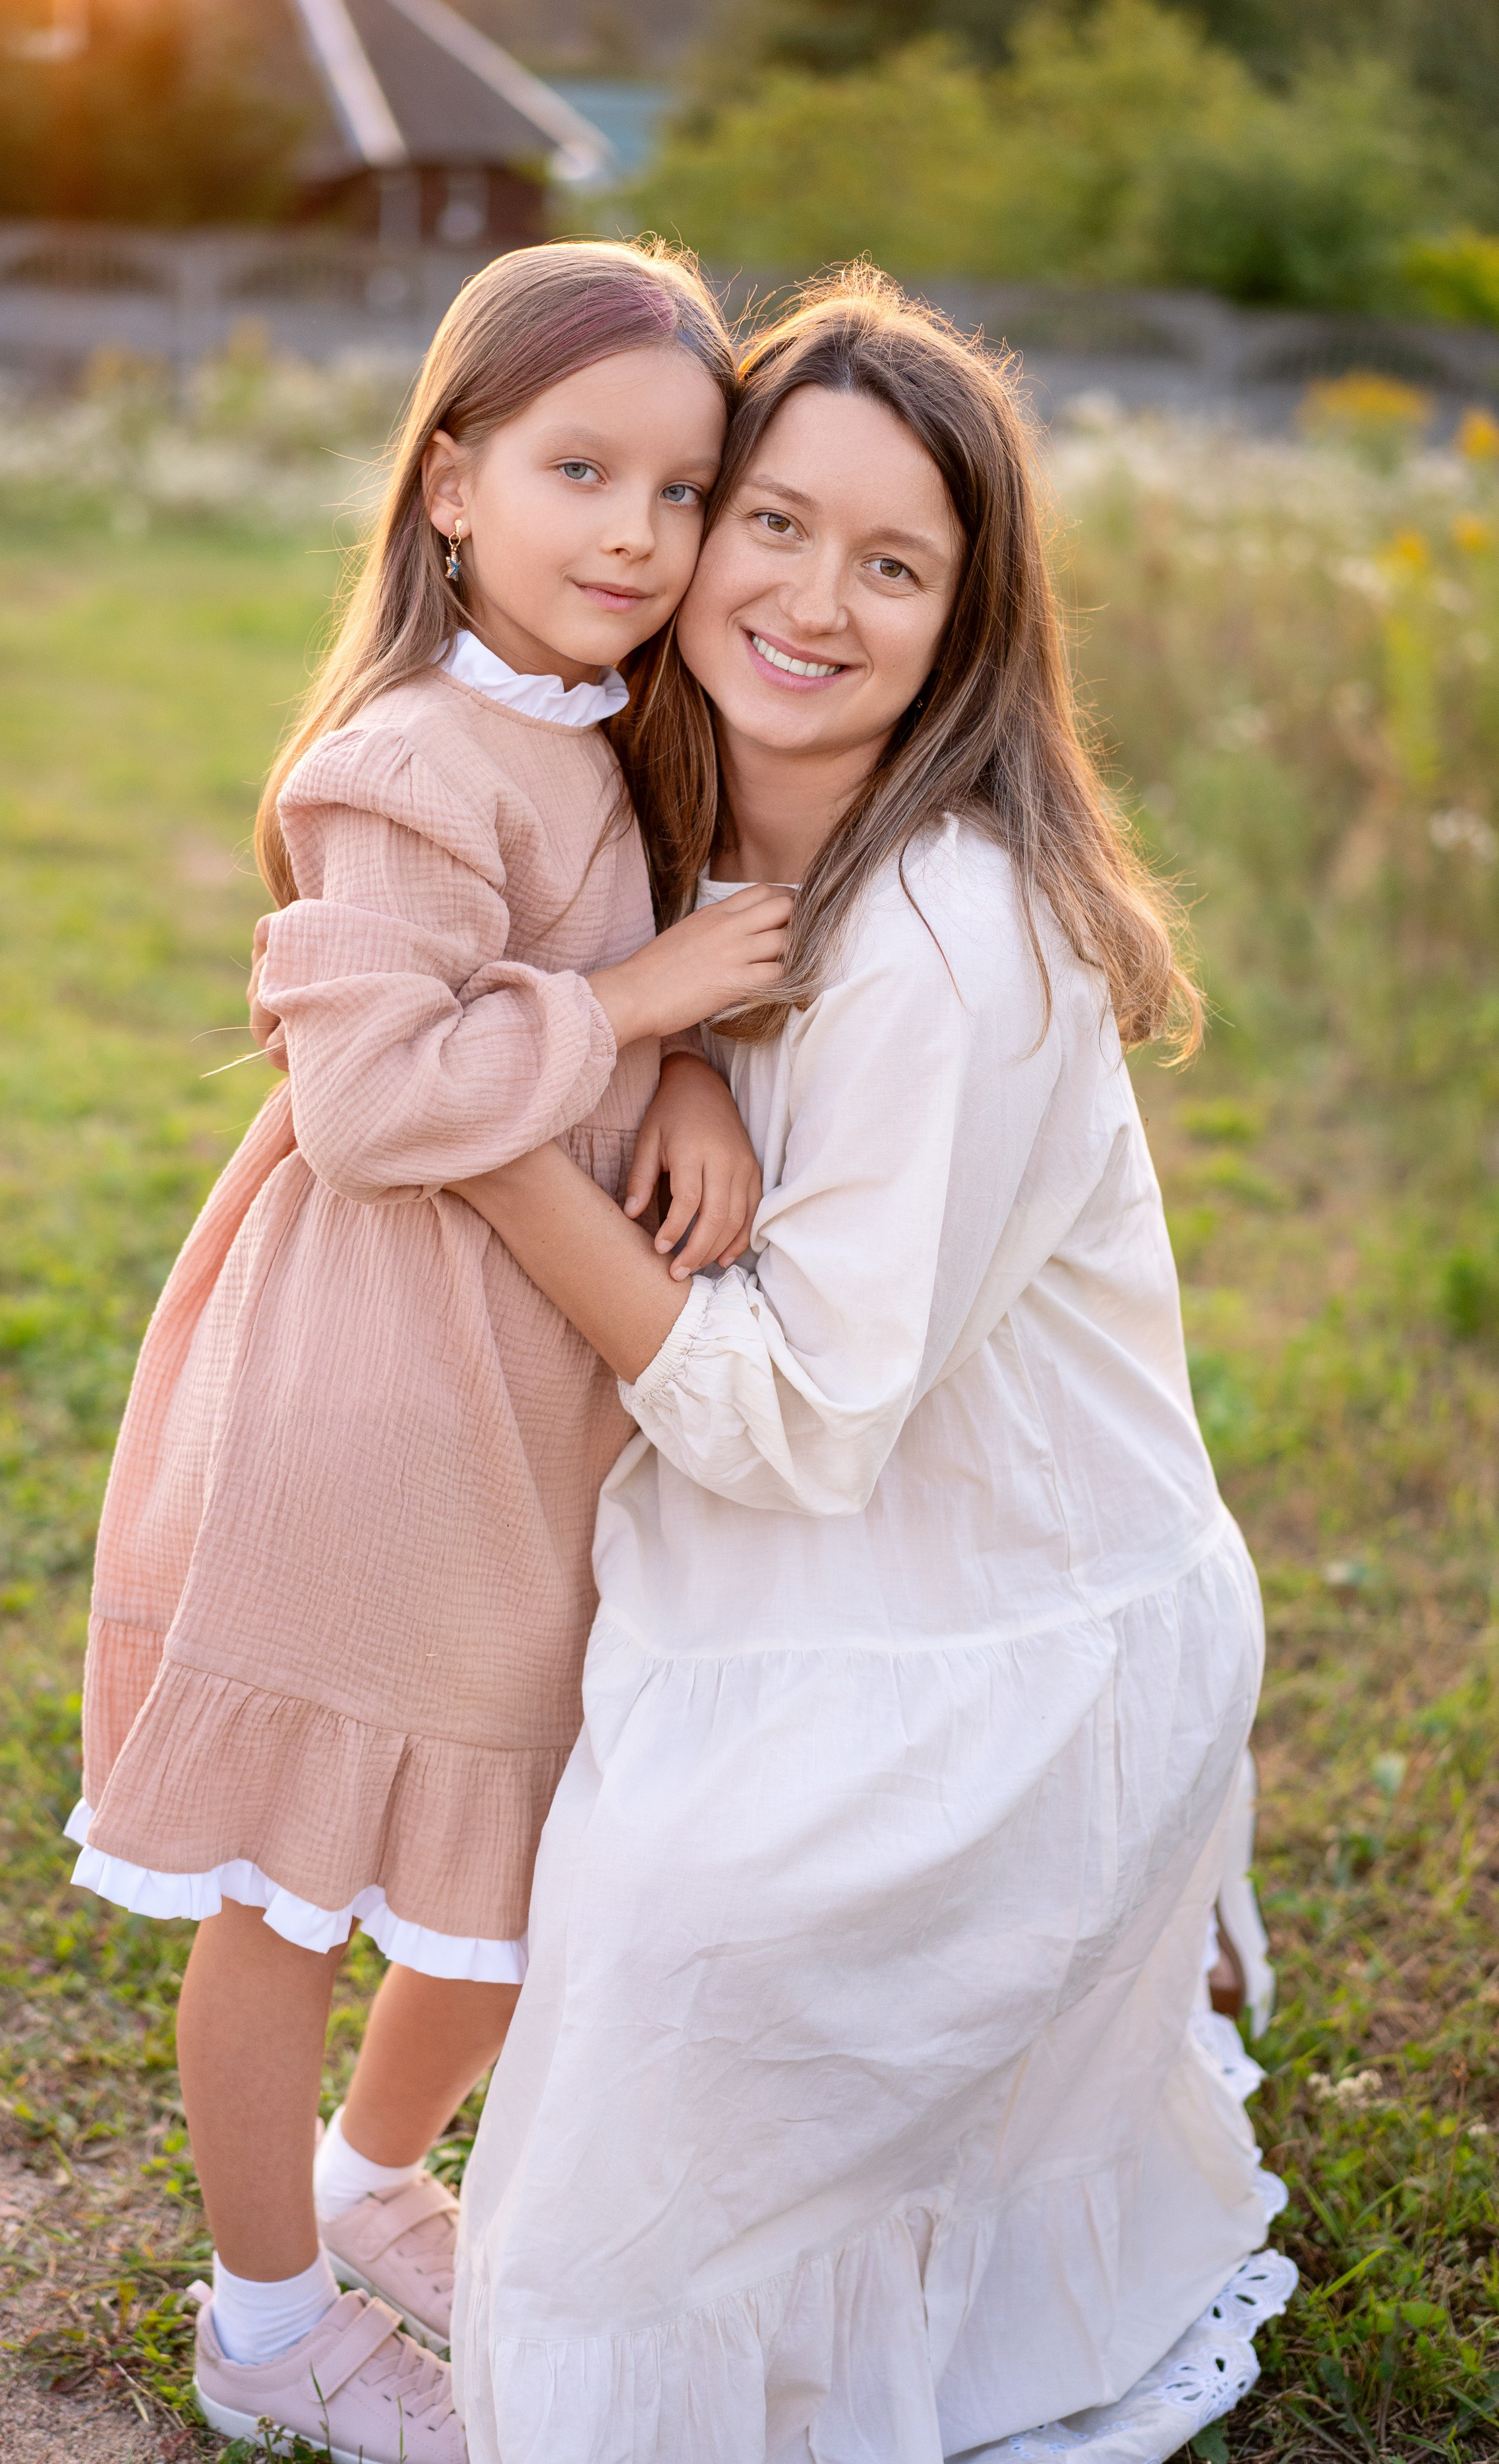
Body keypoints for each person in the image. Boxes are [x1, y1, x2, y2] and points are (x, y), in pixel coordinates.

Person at [447, 270, 1295, 2464]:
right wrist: (684, 1046)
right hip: (789, 1570)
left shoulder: (956, 937)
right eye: (776, 523)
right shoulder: (668, 807)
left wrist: (491, 1136)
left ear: (965, 625)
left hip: (981, 1632)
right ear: (696, 529)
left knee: (626, 2144)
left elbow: (807, 1430)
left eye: (895, 563)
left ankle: (1097, 1956)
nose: (813, 599)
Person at [64, 239, 788, 2464]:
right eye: (584, 471)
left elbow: (609, 973)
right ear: (453, 481)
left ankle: (379, 2183)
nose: (638, 538)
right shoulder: (404, 760)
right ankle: (263, 2319)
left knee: (513, 1864)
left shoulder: (614, 745)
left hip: (533, 1406)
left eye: (681, 495)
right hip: (368, 1406)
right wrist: (654, 1014)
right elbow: (380, 1104)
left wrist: (674, 1073)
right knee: (298, 1888)